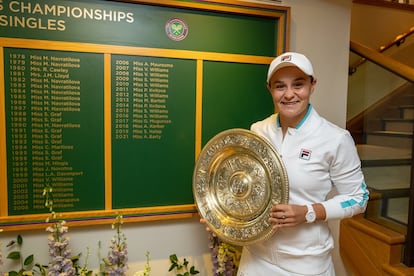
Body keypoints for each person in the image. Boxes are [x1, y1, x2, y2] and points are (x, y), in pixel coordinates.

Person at [202, 52, 369, 275]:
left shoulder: (335, 139)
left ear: (312, 85)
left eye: (298, 85)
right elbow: (249, 189)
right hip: (256, 260)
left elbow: (359, 198)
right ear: (270, 89)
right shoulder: (258, 131)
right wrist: (224, 218)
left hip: (306, 264)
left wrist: (309, 212)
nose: (289, 94)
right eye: (280, 86)